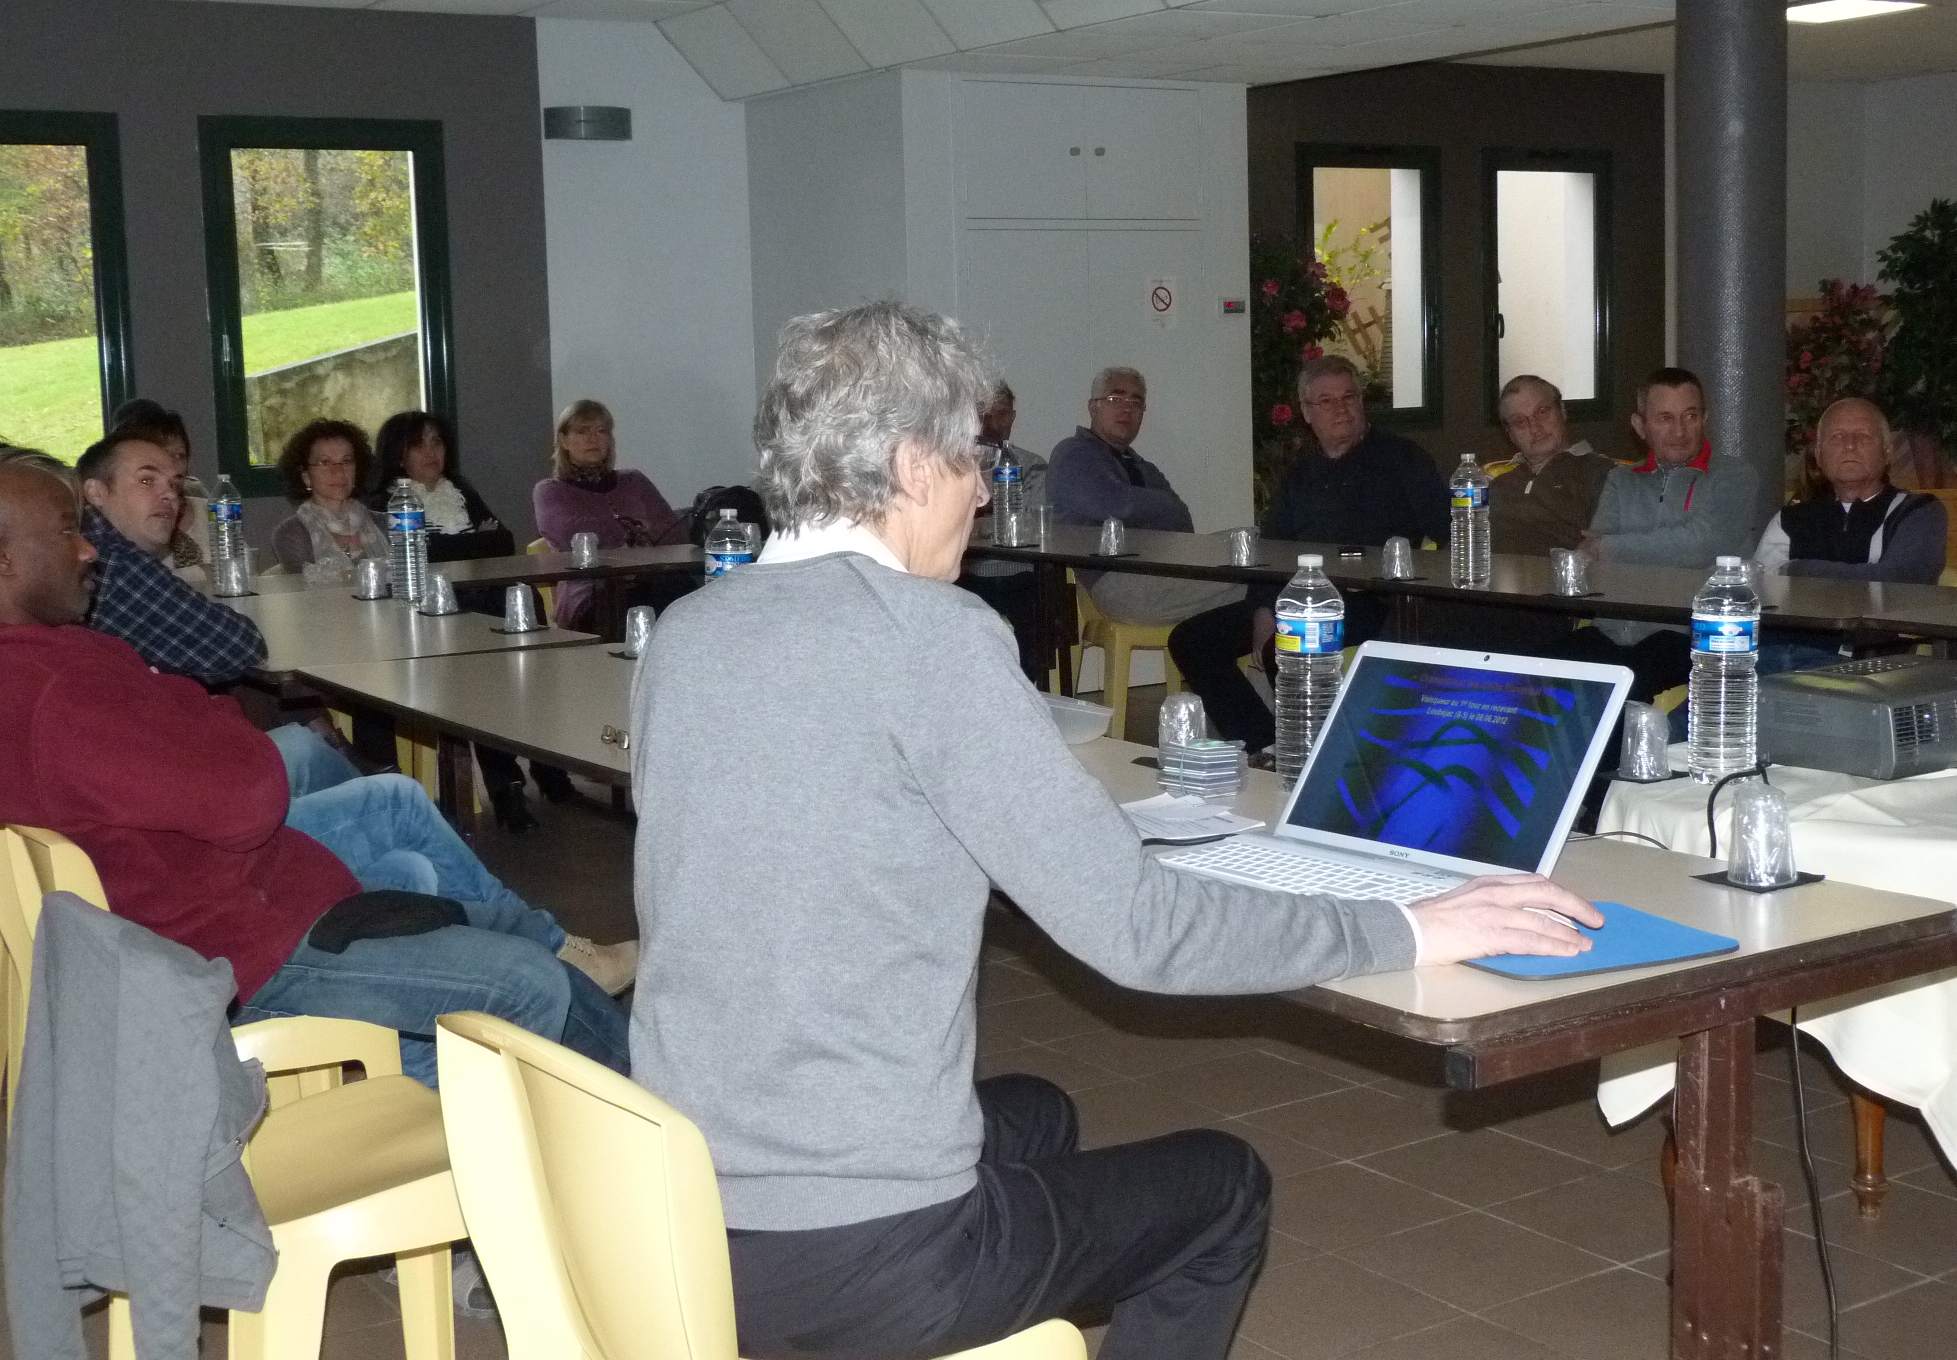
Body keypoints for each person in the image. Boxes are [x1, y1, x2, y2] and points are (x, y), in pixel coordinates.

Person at [627, 300, 1601, 1360]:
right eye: (974, 461)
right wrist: (1408, 926)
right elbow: (1136, 930)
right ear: (912, 466)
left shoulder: (691, 628)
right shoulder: (928, 633)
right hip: (853, 1256)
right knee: (1221, 1189)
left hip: (679, 1206)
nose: (984, 492)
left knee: (1037, 1112)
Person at [0, 460, 637, 1086]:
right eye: (64, 531)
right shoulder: (59, 690)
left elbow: (213, 746)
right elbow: (250, 795)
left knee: (436, 890)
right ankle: (597, 1134)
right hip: (236, 955)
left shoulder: (57, 663)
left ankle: (641, 1099)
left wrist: (195, 718)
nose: (88, 550)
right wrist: (198, 717)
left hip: (247, 901)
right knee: (531, 984)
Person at [1165, 355, 1446, 753]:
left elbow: (1448, 533)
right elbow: (1274, 548)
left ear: (1363, 402)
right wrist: (1264, 611)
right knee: (1193, 640)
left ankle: (1328, 754)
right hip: (1296, 596)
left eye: (1349, 397)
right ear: (1307, 412)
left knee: (1292, 648)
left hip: (1370, 599)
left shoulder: (1403, 459)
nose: (1341, 408)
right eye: (1327, 401)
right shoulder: (1302, 473)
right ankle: (1261, 742)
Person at [74, 431, 358, 797]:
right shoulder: (112, 562)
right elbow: (236, 646)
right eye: (147, 481)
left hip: (125, 759)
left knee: (270, 708)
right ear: (96, 493)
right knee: (379, 791)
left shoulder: (100, 549)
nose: (168, 495)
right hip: (149, 778)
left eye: (174, 485)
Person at [369, 410, 546, 831]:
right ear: (399, 454)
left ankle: (536, 760)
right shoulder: (386, 501)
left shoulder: (460, 490)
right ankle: (509, 785)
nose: (432, 452)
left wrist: (452, 546)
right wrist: (465, 545)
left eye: (438, 443)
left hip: (479, 609)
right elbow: (417, 557)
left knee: (521, 598)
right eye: (420, 444)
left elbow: (502, 540)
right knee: (484, 667)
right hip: (427, 622)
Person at [1556, 366, 1759, 704]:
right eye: (1665, 418)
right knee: (1537, 669)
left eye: (1690, 416)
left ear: (1704, 418)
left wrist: (1610, 546)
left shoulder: (1734, 476)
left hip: (1690, 633)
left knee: (1623, 688)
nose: (1680, 431)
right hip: (1614, 629)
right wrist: (1630, 548)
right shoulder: (1622, 480)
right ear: (1641, 426)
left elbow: (1700, 545)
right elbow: (1594, 565)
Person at [1752, 396, 1946, 673]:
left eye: (1863, 436)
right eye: (1838, 437)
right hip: (1777, 648)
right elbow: (1760, 589)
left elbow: (1899, 584)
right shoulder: (1791, 518)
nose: (1850, 445)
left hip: (1867, 661)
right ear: (1819, 454)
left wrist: (1795, 569)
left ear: (1887, 451)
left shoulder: (1918, 512)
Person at [1047, 367, 1243, 626]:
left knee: (1249, 553)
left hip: (1164, 573)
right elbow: (1112, 504)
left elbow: (1183, 522)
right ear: (1093, 407)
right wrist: (1162, 505)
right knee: (1250, 569)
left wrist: (1148, 508)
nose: (1127, 409)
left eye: (1136, 402)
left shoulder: (1143, 467)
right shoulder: (1074, 452)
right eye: (1116, 399)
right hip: (1117, 583)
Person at [531, 399, 692, 633]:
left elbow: (673, 533)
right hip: (591, 595)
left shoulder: (633, 480)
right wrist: (633, 527)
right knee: (650, 604)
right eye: (582, 431)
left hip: (653, 580)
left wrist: (624, 534)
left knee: (686, 593)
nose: (593, 439)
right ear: (564, 441)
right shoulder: (550, 490)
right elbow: (572, 537)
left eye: (601, 431)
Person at [957, 380, 1047, 680]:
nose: (993, 422)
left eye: (1003, 413)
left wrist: (983, 515)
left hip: (1017, 572)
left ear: (1013, 418)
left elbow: (1032, 522)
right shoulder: (954, 464)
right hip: (966, 573)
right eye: (985, 412)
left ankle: (1031, 690)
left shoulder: (1031, 465)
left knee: (1041, 605)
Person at [1487, 375, 1615, 557]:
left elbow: (1609, 547)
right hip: (1492, 580)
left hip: (1562, 579)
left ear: (1562, 410)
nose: (1535, 427)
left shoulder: (1602, 474)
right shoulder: (1497, 484)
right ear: (1510, 434)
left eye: (1542, 412)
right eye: (1520, 422)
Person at [271, 419, 389, 576]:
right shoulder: (291, 534)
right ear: (306, 476)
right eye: (325, 462)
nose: (338, 471)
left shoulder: (387, 524)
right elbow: (305, 592)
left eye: (346, 461)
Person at [109, 398, 208, 568]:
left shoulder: (209, 510)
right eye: (165, 455)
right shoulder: (123, 522)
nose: (174, 467)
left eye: (180, 456)